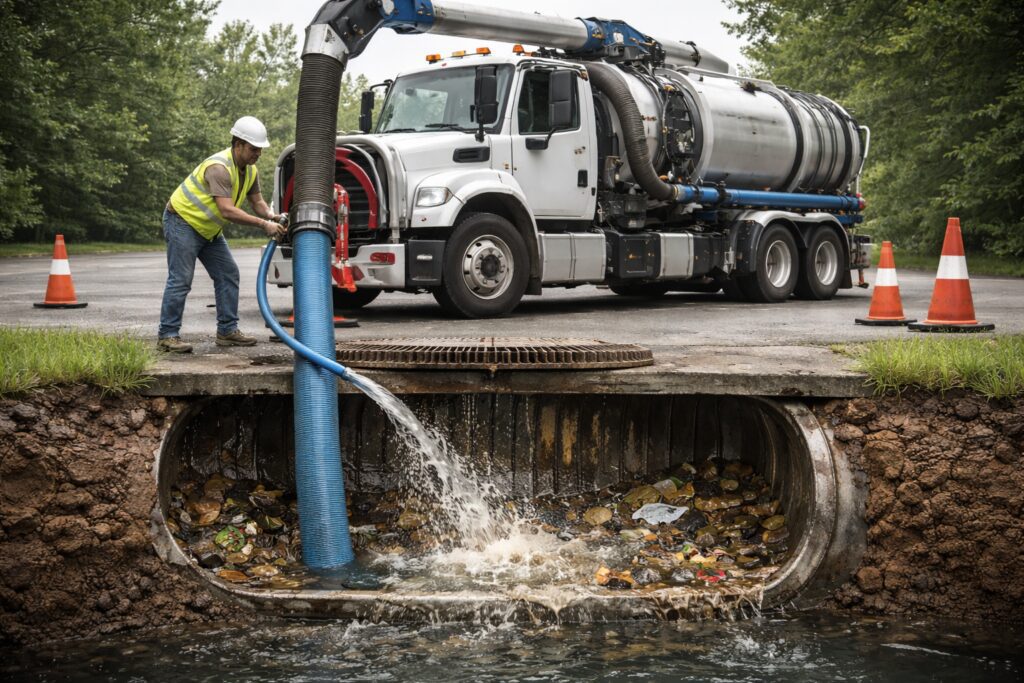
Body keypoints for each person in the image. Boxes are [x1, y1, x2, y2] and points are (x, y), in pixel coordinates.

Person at [157, 116, 288, 353]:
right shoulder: (218, 168)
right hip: (182, 221)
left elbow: (257, 202)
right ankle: (167, 335)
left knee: (228, 273)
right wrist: (263, 224)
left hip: (208, 229)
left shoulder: (250, 171)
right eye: (253, 149)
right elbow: (227, 210)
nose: (257, 153)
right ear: (238, 145)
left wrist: (273, 216)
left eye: (260, 149)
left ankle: (227, 331)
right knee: (181, 279)